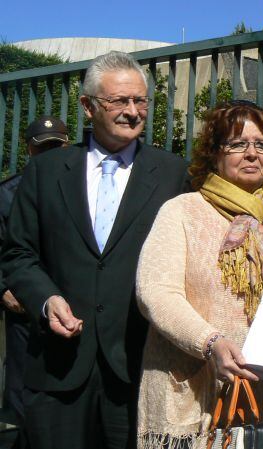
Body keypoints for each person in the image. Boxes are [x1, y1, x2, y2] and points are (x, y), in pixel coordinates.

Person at [0, 51, 189, 449]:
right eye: (119, 101)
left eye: (140, 101)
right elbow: (18, 253)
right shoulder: (46, 171)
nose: (133, 112)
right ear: (88, 106)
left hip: (138, 368)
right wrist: (46, 299)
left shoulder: (173, 174)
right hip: (58, 370)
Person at [135, 101, 263, 449]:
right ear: (214, 152)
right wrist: (209, 342)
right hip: (189, 389)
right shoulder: (181, 212)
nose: (251, 154)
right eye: (237, 144)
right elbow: (155, 291)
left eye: (261, 145)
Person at [0, 115, 69, 442]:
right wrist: (3, 290)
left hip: (70, 307)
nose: (50, 154)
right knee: (20, 393)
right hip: (23, 311)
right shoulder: (6, 194)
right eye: (44, 148)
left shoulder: (81, 190)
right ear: (29, 150)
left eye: (56, 146)